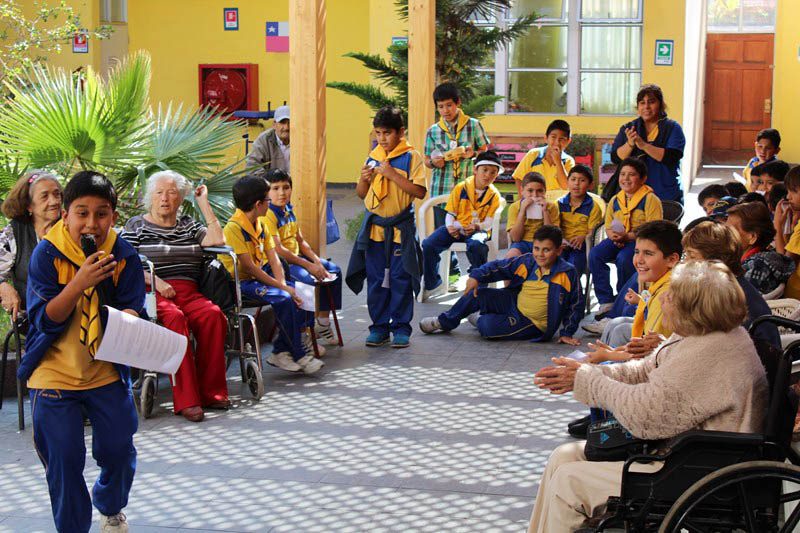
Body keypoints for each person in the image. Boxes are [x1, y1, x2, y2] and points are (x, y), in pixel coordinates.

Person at [530, 260, 768, 532]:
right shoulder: (704, 337)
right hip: (687, 454)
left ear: (694, 308)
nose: (664, 297)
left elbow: (646, 415)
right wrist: (586, 372)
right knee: (563, 456)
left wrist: (590, 380)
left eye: (671, 295)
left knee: (569, 482)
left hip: (697, 470)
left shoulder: (711, 352)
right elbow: (643, 370)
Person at [22, 171, 146, 533]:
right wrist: (79, 283)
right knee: (63, 461)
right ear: (65, 214)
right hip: (53, 374)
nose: (92, 223)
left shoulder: (123, 254)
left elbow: (133, 306)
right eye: (82, 213)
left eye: (102, 213)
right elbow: (45, 320)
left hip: (105, 372)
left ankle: (109, 505)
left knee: (120, 451)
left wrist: (130, 316)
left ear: (114, 216)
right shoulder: (47, 254)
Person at [122, 170, 229, 422]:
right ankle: (187, 400)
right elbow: (125, 264)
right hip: (151, 292)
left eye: (172, 193)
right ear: (151, 197)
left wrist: (203, 204)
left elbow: (217, 240)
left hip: (189, 291)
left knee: (213, 315)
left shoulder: (189, 225)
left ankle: (212, 392)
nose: (165, 198)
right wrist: (155, 281)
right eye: (159, 192)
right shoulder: (136, 225)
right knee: (174, 319)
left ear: (181, 198)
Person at [222, 175, 323, 374]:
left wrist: (284, 284)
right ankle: (298, 354)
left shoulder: (260, 224)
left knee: (296, 293)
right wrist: (282, 288)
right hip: (240, 283)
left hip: (259, 276)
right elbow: (250, 268)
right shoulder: (234, 228)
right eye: (268, 199)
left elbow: (274, 259)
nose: (271, 202)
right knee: (284, 297)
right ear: (258, 204)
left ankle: (282, 351)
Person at [419, 225, 583, 345]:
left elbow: (576, 304)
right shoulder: (527, 261)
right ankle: (444, 322)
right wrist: (476, 276)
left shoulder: (567, 273)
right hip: (514, 302)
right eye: (537, 248)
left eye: (546, 250)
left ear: (559, 251)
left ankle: (482, 318)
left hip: (531, 323)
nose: (540, 254)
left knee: (487, 327)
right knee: (477, 292)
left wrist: (566, 332)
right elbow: (499, 267)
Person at [346, 106, 426, 349]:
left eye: (387, 133)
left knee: (401, 279)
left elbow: (419, 191)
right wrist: (363, 179)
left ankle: (401, 328)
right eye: (378, 133)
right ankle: (379, 327)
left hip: (400, 229)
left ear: (400, 132)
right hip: (375, 231)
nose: (382, 138)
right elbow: (362, 195)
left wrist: (391, 174)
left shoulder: (412, 156)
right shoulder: (373, 155)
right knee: (377, 280)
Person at [261, 168, 342, 346]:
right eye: (275, 188)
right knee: (306, 279)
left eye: (286, 187)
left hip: (295, 258)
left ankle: (323, 323)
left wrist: (316, 261)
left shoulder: (288, 209)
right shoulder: (268, 215)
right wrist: (309, 266)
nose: (282, 193)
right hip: (278, 264)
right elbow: (279, 250)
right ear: (267, 192)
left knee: (334, 270)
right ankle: (304, 334)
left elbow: (300, 240)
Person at [588, 220, 681, 361]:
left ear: (672, 259)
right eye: (637, 252)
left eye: (648, 253)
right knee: (615, 323)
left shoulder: (665, 296)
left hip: (657, 365)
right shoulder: (660, 281)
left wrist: (610, 355)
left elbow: (652, 354)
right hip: (653, 354)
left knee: (618, 334)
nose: (639, 260)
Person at [683, 221, 780, 348]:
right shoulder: (725, 285)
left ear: (715, 259)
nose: (685, 262)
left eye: (692, 256)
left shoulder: (730, 297)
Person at [422, 150, 503, 294]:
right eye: (484, 170)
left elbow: (490, 221)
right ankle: (433, 282)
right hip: (457, 227)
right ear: (475, 170)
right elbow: (450, 213)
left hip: (478, 230)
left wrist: (478, 226)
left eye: (493, 172)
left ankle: (478, 284)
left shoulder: (494, 195)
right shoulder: (461, 187)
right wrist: (450, 227)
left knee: (478, 246)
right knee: (429, 244)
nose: (488, 175)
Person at [589, 158, 663, 313]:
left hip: (638, 242)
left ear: (643, 179)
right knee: (595, 254)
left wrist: (628, 236)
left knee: (624, 259)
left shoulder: (650, 199)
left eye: (632, 175)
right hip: (616, 239)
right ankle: (606, 301)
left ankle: (624, 300)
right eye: (622, 174)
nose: (626, 179)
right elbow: (608, 224)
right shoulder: (616, 199)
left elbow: (654, 228)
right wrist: (613, 236)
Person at [0, 171, 63, 321]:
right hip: (31, 323)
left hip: (71, 322)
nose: (54, 201)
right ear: (29, 205)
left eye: (57, 194)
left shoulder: (70, 227)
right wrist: (2, 286)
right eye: (45, 196)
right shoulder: (14, 232)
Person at [424, 82, 489, 218]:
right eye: (440, 107)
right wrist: (434, 163)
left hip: (469, 191)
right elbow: (426, 160)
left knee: (467, 233)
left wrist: (474, 154)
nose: (445, 111)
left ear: (458, 102)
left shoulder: (473, 125)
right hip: (441, 191)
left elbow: (485, 152)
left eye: (449, 105)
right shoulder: (433, 131)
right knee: (442, 235)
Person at [611, 84, 685, 203]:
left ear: (660, 105)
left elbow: (672, 156)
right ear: (638, 106)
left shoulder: (672, 128)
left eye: (651, 102)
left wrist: (644, 145)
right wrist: (630, 144)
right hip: (633, 194)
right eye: (642, 103)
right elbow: (615, 158)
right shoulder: (629, 128)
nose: (646, 107)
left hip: (665, 193)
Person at [726, 202, 794, 296]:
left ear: (752, 237)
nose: (724, 235)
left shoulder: (759, 266)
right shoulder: (756, 259)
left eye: (729, 231)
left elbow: (736, 303)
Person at [557, 165, 604, 278]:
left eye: (582, 180)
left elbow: (592, 231)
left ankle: (576, 294)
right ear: (567, 182)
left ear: (590, 185)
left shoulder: (593, 207)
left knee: (573, 266)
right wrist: (560, 239)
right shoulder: (558, 204)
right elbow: (555, 226)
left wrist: (583, 237)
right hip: (561, 245)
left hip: (582, 247)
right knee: (556, 263)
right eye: (573, 179)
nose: (576, 184)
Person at [512, 119, 575, 201]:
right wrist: (522, 198)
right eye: (553, 137)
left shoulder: (568, 161)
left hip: (558, 203)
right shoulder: (533, 154)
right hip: (534, 200)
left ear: (568, 141)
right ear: (546, 138)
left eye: (561, 139)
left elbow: (565, 186)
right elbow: (519, 177)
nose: (557, 142)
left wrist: (558, 161)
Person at [505, 172, 560, 259]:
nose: (535, 195)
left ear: (545, 191)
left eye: (539, 191)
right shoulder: (515, 207)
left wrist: (545, 211)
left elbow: (551, 236)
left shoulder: (551, 206)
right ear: (522, 191)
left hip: (544, 242)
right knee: (511, 257)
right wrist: (522, 211)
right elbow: (515, 238)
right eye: (530, 191)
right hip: (522, 243)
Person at [775, 166, 800, 299]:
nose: (788, 197)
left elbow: (784, 265)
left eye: (793, 191)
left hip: (795, 302)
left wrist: (778, 227)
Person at [245, 105, 291, 176]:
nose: (286, 127)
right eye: (282, 122)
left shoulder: (303, 139)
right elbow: (252, 167)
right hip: (270, 185)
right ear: (274, 124)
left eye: (290, 122)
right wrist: (271, 183)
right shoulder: (263, 139)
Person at [743, 128, 781, 192]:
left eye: (768, 148)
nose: (762, 151)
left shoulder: (776, 169)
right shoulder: (752, 162)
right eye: (760, 146)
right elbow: (746, 178)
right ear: (755, 145)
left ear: (777, 150)